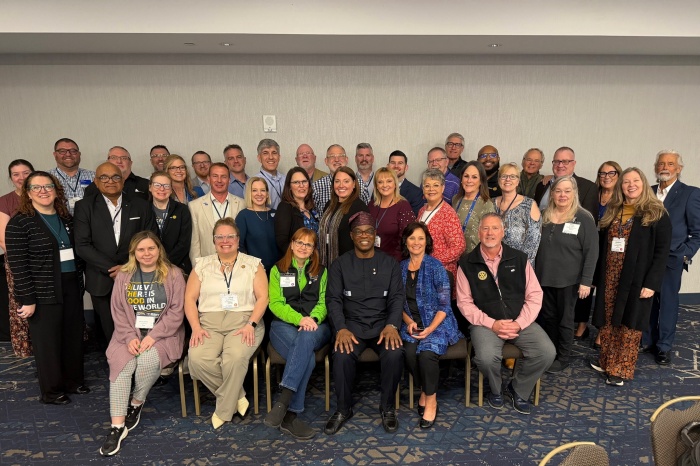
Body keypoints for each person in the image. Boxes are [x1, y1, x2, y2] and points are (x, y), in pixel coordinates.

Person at [456, 213, 555, 415]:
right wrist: (491, 323)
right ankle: (496, 389)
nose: (490, 233)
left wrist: (519, 323)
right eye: (485, 228)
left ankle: (518, 388)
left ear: (503, 232)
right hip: (485, 324)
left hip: (520, 321)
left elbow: (535, 295)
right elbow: (464, 303)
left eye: (495, 228)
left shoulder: (519, 258)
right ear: (479, 232)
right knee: (485, 358)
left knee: (547, 352)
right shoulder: (466, 264)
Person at [99, 232, 185, 456]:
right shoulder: (124, 275)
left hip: (163, 335)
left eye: (151, 248)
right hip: (127, 334)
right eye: (141, 250)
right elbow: (118, 311)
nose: (146, 254)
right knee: (122, 366)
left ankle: (136, 403)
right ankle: (117, 427)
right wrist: (130, 337)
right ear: (133, 253)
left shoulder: (174, 274)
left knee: (146, 362)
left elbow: (176, 312)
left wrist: (153, 336)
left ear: (159, 250)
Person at [6, 171, 88, 404]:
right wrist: (27, 299)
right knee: (48, 344)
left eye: (48, 186)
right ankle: (52, 392)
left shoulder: (66, 219)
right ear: (28, 193)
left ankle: (73, 381)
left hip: (71, 286)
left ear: (56, 190)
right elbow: (18, 266)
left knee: (73, 336)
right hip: (42, 292)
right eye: (37, 187)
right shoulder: (20, 223)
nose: (43, 191)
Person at [324, 212, 405, 435]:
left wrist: (392, 325)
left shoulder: (390, 263)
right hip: (352, 326)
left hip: (382, 325)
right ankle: (343, 409)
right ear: (351, 236)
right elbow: (333, 299)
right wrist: (340, 328)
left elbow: (397, 298)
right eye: (358, 232)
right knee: (341, 355)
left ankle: (387, 407)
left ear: (375, 234)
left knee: (395, 353)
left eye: (368, 231)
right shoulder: (340, 265)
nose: (364, 236)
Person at [590, 168, 671, 386]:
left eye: (636, 180)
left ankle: (620, 369)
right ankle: (607, 361)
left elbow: (662, 252)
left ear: (643, 183)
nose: (631, 185)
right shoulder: (613, 210)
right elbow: (602, 245)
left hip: (637, 279)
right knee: (608, 320)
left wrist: (651, 283)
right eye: (626, 181)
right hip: (610, 275)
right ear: (621, 186)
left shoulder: (656, 213)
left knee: (629, 323)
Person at [185, 218, 268, 429]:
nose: (225, 240)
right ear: (213, 241)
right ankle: (237, 396)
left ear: (238, 240)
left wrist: (251, 324)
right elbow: (189, 299)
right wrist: (195, 327)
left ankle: (223, 410)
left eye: (230, 236)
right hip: (208, 323)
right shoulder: (202, 265)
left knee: (235, 358)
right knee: (197, 359)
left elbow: (263, 298)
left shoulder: (253, 264)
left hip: (244, 321)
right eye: (220, 237)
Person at [74, 162, 158, 345]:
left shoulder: (141, 205)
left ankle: (142, 359)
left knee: (139, 326)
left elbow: (151, 240)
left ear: (123, 180)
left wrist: (128, 268)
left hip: (136, 276)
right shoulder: (84, 206)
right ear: (96, 181)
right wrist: (114, 268)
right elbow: (82, 245)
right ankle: (117, 360)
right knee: (110, 330)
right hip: (101, 278)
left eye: (115, 177)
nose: (110, 181)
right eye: (104, 177)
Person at [264, 228, 331, 440]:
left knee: (306, 338)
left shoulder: (321, 271)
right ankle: (291, 416)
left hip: (316, 325)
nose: (303, 247)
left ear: (313, 249)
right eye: (299, 242)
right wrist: (299, 319)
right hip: (284, 325)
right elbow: (275, 303)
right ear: (292, 245)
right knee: (307, 357)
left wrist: (313, 319)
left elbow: (324, 302)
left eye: (308, 244)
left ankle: (283, 401)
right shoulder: (278, 269)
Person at [399, 222, 462, 428]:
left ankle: (431, 400)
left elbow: (444, 306)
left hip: (438, 323)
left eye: (421, 238)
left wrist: (430, 329)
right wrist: (409, 322)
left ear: (427, 242)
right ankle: (425, 390)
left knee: (426, 354)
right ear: (406, 242)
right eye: (412, 238)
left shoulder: (436, 267)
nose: (416, 242)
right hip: (411, 324)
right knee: (408, 353)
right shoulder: (400, 268)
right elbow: (396, 302)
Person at [535, 176, 598, 372]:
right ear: (552, 194)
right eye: (558, 191)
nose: (562, 195)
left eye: (567, 191)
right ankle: (551, 353)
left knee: (565, 321)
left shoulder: (583, 218)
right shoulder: (543, 215)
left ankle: (563, 357)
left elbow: (592, 252)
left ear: (574, 193)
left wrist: (586, 281)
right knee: (548, 318)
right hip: (544, 278)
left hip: (569, 281)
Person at [643, 151, 700, 365]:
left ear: (679, 168)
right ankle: (647, 340)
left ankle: (664, 346)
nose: (664, 167)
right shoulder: (647, 192)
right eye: (661, 164)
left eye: (670, 164)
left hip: (672, 258)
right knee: (646, 300)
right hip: (647, 258)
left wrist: (685, 253)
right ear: (655, 167)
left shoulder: (690, 194)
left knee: (667, 302)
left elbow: (697, 231)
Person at [574, 160, 622, 342]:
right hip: (589, 245)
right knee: (585, 285)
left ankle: (602, 330)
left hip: (611, 249)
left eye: (611, 173)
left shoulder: (622, 198)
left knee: (605, 290)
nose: (606, 177)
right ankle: (582, 325)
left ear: (618, 175)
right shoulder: (593, 193)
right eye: (602, 173)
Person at [0, 159, 34, 355]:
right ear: (11, 178)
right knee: (22, 301)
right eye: (16, 174)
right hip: (18, 261)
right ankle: (26, 345)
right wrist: (24, 260)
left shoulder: (42, 195)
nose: (21, 177)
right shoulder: (5, 201)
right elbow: (3, 239)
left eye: (26, 172)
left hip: (45, 261)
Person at [188, 163, 245, 264]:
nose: (219, 180)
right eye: (215, 176)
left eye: (223, 176)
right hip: (207, 264)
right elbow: (194, 243)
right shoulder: (195, 206)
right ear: (209, 179)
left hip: (236, 264)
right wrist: (198, 267)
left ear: (229, 180)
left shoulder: (242, 204)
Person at [417, 169, 466, 281]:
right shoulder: (422, 210)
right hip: (422, 269)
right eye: (427, 186)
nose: (431, 189)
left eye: (436, 185)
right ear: (423, 188)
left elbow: (459, 246)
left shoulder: (448, 213)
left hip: (441, 272)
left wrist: (433, 261)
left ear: (443, 188)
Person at [318, 166, 368, 266]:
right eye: (337, 181)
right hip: (325, 263)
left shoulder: (359, 207)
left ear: (354, 184)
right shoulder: (329, 205)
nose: (341, 185)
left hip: (349, 265)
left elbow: (364, 241)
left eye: (346, 181)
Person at [493, 163, 541, 265]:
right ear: (498, 180)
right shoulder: (490, 203)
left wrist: (519, 264)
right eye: (504, 176)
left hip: (519, 265)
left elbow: (533, 240)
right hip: (492, 263)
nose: (508, 179)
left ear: (518, 181)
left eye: (512, 176)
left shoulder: (529, 205)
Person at [534, 147, 597, 219]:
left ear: (574, 164)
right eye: (556, 161)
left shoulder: (589, 188)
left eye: (565, 161)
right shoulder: (542, 185)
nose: (560, 165)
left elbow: (590, 220)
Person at [367, 167, 415, 262]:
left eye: (389, 181)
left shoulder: (403, 206)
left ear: (395, 184)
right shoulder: (371, 205)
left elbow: (407, 238)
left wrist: (394, 262)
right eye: (380, 182)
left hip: (394, 261)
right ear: (376, 186)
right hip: (371, 258)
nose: (385, 185)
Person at [149, 172, 193, 274]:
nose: (162, 189)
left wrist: (164, 264)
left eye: (166, 186)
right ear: (150, 187)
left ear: (171, 189)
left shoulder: (182, 210)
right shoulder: (143, 210)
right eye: (157, 185)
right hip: (149, 266)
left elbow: (184, 243)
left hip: (177, 266)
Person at [235, 177, 278, 273]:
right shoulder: (243, 216)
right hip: (254, 270)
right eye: (254, 190)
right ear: (249, 194)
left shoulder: (277, 214)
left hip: (277, 270)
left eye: (262, 190)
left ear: (267, 194)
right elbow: (238, 245)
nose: (259, 194)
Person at [313, 144, 370, 216]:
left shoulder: (360, 184)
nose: (337, 160)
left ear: (346, 160)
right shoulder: (316, 187)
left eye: (340, 156)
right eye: (332, 156)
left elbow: (367, 212)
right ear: (326, 161)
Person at [452, 161, 495, 254]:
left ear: (481, 181)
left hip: (475, 258)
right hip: (455, 257)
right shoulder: (455, 199)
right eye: (466, 176)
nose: (469, 180)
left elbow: (491, 237)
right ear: (461, 179)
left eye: (474, 177)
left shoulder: (486, 204)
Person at [275, 167, 319, 254]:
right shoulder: (285, 207)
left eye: (304, 181)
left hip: (315, 259)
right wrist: (300, 257)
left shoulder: (311, 208)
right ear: (289, 187)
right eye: (296, 182)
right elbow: (282, 241)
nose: (301, 186)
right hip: (297, 260)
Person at [48, 138, 95, 215]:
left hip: (90, 221)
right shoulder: (46, 178)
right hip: (59, 221)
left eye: (73, 151)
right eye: (62, 151)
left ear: (79, 154)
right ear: (55, 154)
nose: (68, 154)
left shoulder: (94, 176)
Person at [85, 146, 150, 201]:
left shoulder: (146, 185)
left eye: (124, 158)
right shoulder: (94, 187)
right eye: (114, 157)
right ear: (107, 162)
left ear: (130, 163)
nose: (119, 161)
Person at [388, 150, 425, 215]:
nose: (396, 166)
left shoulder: (416, 193)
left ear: (406, 167)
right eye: (393, 163)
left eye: (400, 163)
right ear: (388, 166)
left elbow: (415, 219)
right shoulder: (379, 189)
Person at [253, 139, 285, 209]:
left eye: (274, 153)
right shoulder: (253, 182)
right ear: (259, 158)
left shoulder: (286, 180)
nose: (271, 157)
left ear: (279, 157)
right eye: (265, 153)